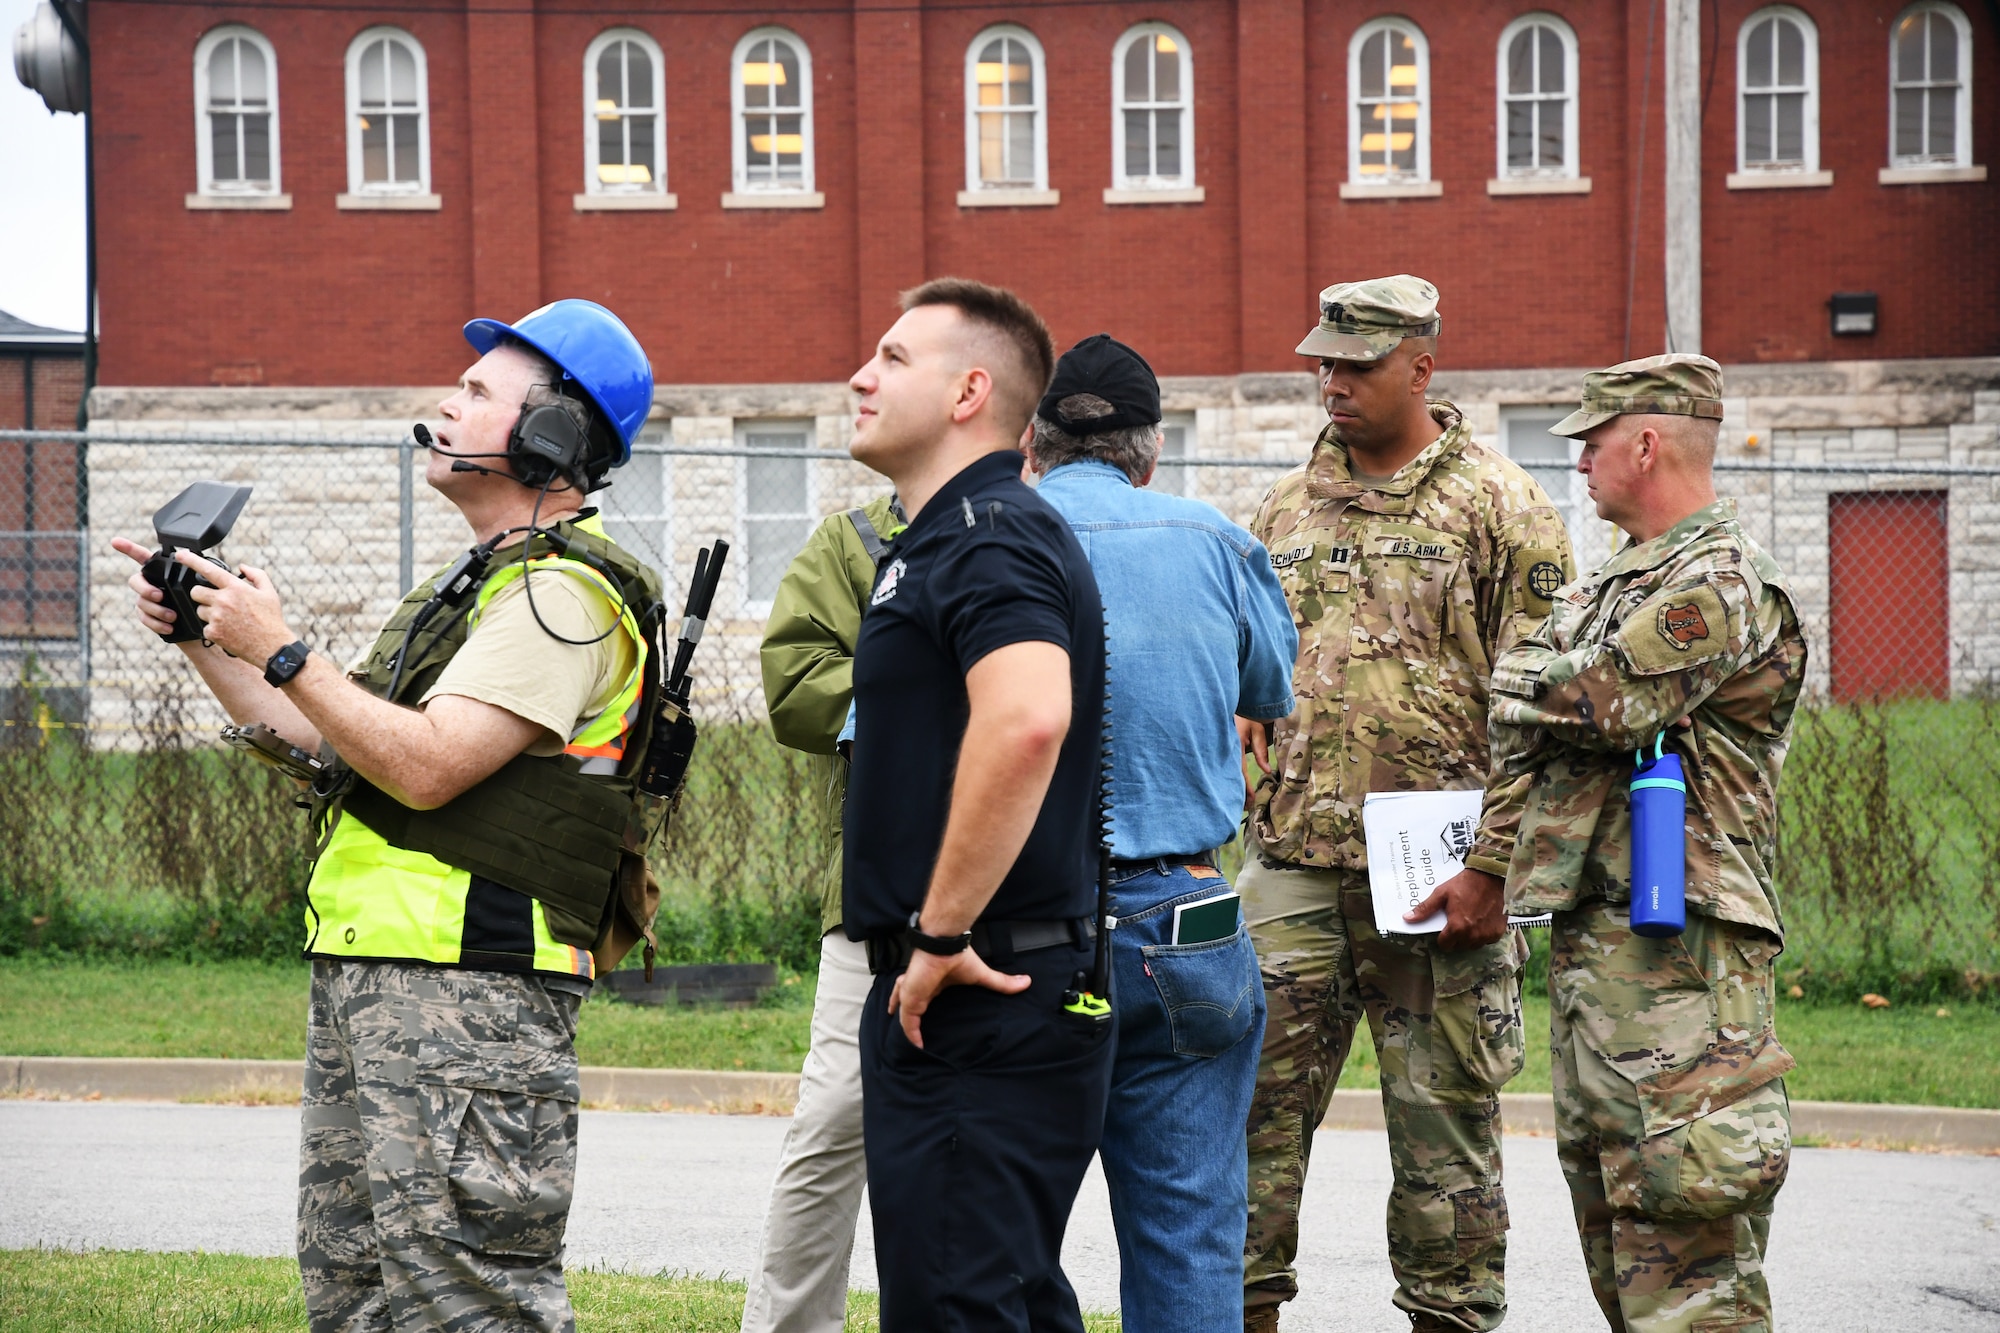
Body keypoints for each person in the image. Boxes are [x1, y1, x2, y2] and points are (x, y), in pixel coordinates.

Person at [114, 299, 665, 1333]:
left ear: (552, 437)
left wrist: (284, 650)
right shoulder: (480, 584)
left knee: (469, 1303)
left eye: (474, 395)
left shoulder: (560, 599)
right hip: (386, 981)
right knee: (356, 1294)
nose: (442, 408)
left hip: (472, 995)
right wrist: (206, 637)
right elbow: (330, 740)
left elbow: (428, 767)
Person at [1432, 353, 1805, 1333]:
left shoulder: (1716, 580)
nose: (1580, 462)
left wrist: (1525, 675)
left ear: (1644, 443)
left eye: (1591, 441)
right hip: (1605, 942)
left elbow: (1592, 699)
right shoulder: (1611, 587)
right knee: (1617, 1234)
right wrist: (1542, 678)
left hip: (1683, 953)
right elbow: (1540, 709)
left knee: (1686, 1253)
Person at [1238, 276, 1575, 1333]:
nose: (1328, 382)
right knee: (1239, 1138)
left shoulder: (1500, 506)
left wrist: (1493, 868)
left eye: (1354, 365)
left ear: (1420, 365)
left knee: (1445, 1161)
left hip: (1438, 877)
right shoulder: (1285, 508)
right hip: (1292, 866)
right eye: (1321, 364)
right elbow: (1248, 670)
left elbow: (1542, 716)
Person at [841, 277, 1110, 1332]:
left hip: (980, 985)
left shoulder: (986, 533)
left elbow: (1027, 718)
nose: (861, 375)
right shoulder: (948, 533)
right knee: (998, 1297)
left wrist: (940, 928)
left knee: (959, 1306)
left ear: (968, 392)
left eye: (893, 359)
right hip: (989, 987)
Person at [1026, 334, 1298, 1330]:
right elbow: (1269, 689)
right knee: (1186, 1238)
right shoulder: (1217, 541)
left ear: (1033, 441)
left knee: (1000, 1237)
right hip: (1184, 919)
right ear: (1148, 455)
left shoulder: (974, 537)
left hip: (1019, 933)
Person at [743, 489, 905, 1333]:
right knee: (838, 1112)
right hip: (880, 888)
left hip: (1029, 882)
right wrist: (921, 685)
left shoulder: (1042, 527)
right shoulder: (855, 543)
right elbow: (796, 683)